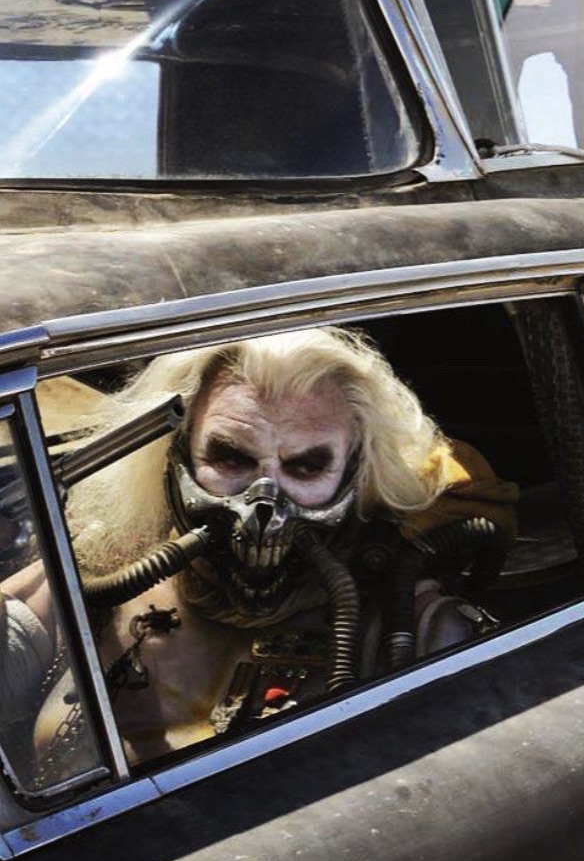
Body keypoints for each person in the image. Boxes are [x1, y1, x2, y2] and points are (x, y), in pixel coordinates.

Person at [0, 328, 510, 768]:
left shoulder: (415, 630)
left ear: (356, 475)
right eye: (229, 457)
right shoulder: (103, 572)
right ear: (176, 454)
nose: (262, 502)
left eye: (305, 467)